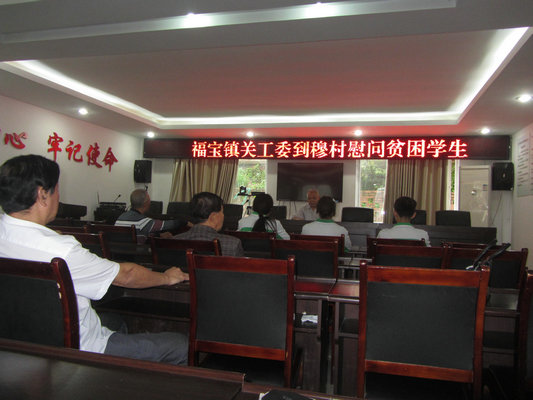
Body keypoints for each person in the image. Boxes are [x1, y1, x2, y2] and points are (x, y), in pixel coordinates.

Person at [0, 155, 189, 365]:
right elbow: (126, 275)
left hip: (15, 341)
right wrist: (167, 277)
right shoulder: (61, 250)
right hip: (76, 348)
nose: (59, 197)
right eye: (57, 190)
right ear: (42, 195)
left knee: (115, 322)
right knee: (181, 346)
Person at [173, 192, 244, 257]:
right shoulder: (233, 244)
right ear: (213, 216)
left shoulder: (173, 241)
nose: (223, 216)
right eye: (222, 212)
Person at [115, 189, 189, 238]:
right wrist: (186, 222)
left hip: (119, 254)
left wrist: (159, 235)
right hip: (138, 254)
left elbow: (140, 233)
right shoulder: (143, 221)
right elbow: (170, 224)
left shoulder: (120, 218)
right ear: (145, 203)